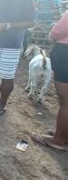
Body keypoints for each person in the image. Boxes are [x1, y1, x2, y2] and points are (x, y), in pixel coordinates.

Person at [31, 10, 68, 150]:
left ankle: (58, 139)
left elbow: (57, 32)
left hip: (65, 54)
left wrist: (53, 34)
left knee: (65, 101)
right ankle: (64, 133)